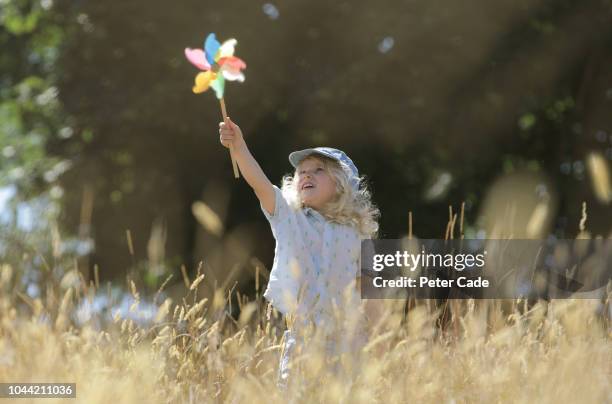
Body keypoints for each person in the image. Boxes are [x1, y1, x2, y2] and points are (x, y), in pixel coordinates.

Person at [218, 117, 381, 390]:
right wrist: (239, 146)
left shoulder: (357, 233)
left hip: (349, 343)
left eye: (318, 170)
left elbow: (371, 292)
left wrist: (379, 344)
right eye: (302, 172)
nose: (306, 174)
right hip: (304, 340)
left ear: (341, 185)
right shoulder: (288, 217)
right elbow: (259, 183)